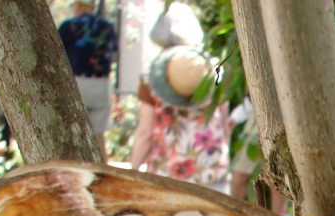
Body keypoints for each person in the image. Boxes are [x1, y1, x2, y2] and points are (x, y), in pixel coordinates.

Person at [129, 46, 232, 191]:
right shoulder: (216, 79)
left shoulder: (149, 83)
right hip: (212, 173)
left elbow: (144, 133)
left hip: (167, 177)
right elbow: (225, 126)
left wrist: (133, 172)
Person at [58, 1, 118, 159]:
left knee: (72, 136)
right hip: (102, 85)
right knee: (99, 138)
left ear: (78, 5)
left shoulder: (69, 26)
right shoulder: (108, 27)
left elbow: (57, 55)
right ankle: (106, 177)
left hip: (77, 83)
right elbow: (113, 54)